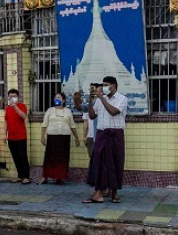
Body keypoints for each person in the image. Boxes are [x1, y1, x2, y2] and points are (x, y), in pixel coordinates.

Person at [84, 76, 128, 204]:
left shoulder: (122, 98)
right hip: (101, 133)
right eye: (102, 84)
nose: (103, 87)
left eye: (106, 84)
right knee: (99, 161)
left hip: (115, 134)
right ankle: (99, 191)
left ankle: (114, 191)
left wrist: (101, 97)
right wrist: (90, 101)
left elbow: (113, 111)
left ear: (113, 85)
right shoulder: (99, 100)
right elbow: (92, 116)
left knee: (115, 162)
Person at [38, 92, 80, 185]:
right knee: (50, 158)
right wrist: (42, 136)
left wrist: (77, 138)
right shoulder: (50, 110)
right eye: (55, 97)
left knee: (62, 158)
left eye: (59, 97)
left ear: (63, 100)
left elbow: (72, 125)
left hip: (64, 137)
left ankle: (60, 178)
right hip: (52, 137)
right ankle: (45, 177)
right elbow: (44, 124)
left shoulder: (68, 111)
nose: (57, 99)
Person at [5, 89, 31, 184]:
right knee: (15, 157)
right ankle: (20, 176)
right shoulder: (7, 108)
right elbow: (6, 121)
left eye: (14, 96)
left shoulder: (22, 106)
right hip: (11, 137)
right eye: (11, 96)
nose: (12, 98)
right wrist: (5, 134)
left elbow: (24, 117)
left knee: (22, 156)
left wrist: (15, 108)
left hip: (21, 136)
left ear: (18, 97)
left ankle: (26, 177)